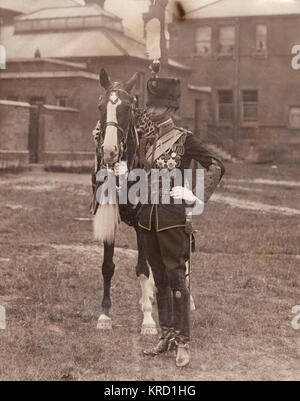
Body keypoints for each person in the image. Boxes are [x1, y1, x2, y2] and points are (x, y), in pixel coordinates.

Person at [138, 76, 225, 367]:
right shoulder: (148, 139)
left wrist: (194, 195)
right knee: (159, 279)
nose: (150, 110)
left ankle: (183, 341)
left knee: (176, 280)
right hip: (148, 220)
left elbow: (216, 165)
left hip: (174, 220)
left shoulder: (184, 139)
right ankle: (166, 335)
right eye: (149, 105)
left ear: (170, 108)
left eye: (156, 105)